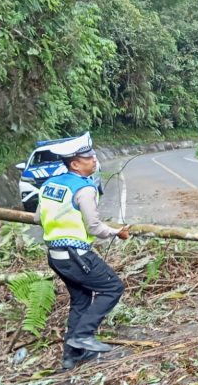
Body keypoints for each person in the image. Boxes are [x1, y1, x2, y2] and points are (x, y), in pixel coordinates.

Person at [34, 132, 130, 370]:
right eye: (88, 157)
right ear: (75, 164)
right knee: (113, 287)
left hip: (55, 257)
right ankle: (83, 335)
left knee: (81, 299)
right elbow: (94, 227)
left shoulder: (49, 185)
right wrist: (117, 233)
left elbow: (38, 217)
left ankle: (71, 355)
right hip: (76, 255)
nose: (94, 160)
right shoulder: (84, 189)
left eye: (93, 155)